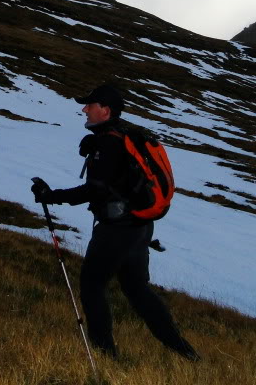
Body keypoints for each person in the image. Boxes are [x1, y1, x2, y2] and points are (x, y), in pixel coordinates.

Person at [31, 84, 200, 362]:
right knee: (136, 289)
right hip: (140, 226)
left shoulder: (109, 143)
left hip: (117, 229)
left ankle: (104, 354)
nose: (85, 109)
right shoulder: (125, 134)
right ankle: (184, 351)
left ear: (105, 110)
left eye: (90, 105)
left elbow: (95, 190)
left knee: (92, 284)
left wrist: (52, 197)